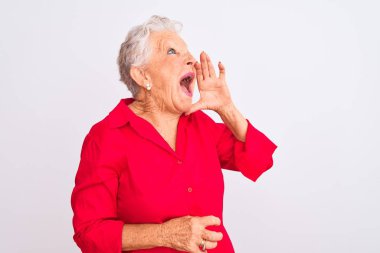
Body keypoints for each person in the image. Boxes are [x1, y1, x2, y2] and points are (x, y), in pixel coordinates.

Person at [71, 15, 278, 253]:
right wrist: (165, 234)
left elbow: (261, 161)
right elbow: (90, 233)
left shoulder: (200, 124)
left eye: (187, 52)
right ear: (142, 76)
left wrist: (226, 108)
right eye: (172, 52)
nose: (191, 59)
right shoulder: (107, 137)